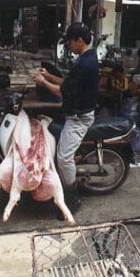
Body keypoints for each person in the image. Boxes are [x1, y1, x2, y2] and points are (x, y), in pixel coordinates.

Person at [33, 22, 99, 220]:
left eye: (69, 42)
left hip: (79, 118)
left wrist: (43, 82)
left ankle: (72, 200)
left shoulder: (85, 63)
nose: (68, 45)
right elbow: (69, 84)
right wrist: (50, 76)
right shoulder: (86, 58)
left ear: (79, 41)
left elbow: (63, 93)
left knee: (63, 158)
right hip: (76, 112)